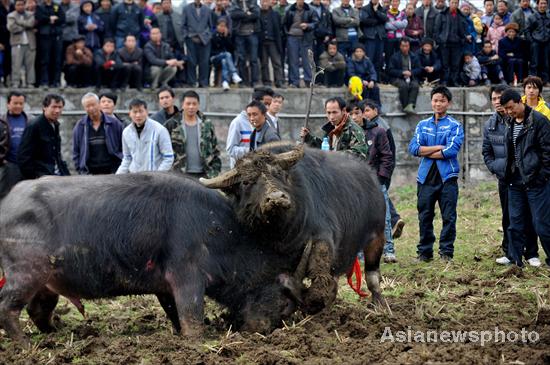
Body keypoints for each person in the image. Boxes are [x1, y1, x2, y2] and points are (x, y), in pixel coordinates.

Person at [482, 85, 540, 266]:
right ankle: (510, 252)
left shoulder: (519, 119)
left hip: (526, 176)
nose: (497, 102)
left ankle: (531, 252)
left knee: (530, 215)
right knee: (509, 216)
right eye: (493, 99)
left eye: (500, 98)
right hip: (506, 178)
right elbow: (486, 151)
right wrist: (496, 168)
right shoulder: (490, 124)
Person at [408, 86, 464, 262]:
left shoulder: (455, 125)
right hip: (425, 178)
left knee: (448, 216)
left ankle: (446, 252)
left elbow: (451, 150)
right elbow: (413, 148)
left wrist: (427, 151)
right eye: (435, 100)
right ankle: (424, 252)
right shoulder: (422, 125)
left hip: (447, 178)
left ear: (448, 103)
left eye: (442, 100)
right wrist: (437, 147)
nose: (438, 104)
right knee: (425, 216)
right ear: (431, 101)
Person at [500, 88, 550, 267]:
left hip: (536, 182)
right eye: (505, 109)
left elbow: (547, 153)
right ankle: (515, 261)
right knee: (515, 223)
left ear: (520, 102)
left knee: (541, 224)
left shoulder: (539, 121)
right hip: (515, 182)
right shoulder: (509, 122)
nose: (508, 112)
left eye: (510, 107)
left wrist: (541, 177)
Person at [355, 99, 396, 262]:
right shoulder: (346, 134)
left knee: (383, 217)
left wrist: (381, 177)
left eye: (359, 112)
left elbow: (388, 156)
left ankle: (388, 250)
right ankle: (359, 254)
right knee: (358, 218)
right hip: (355, 184)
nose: (355, 116)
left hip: (375, 181)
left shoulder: (378, 131)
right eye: (351, 113)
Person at [163, 90, 221, 178]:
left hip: (204, 174)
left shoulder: (206, 124)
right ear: (182, 105)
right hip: (179, 175)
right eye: (188, 103)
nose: (191, 107)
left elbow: (215, 150)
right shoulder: (172, 124)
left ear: (198, 105)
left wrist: (214, 172)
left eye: (194, 104)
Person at [18, 94, 70, 179]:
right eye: (54, 107)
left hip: (56, 174)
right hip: (42, 177)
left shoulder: (55, 124)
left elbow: (56, 154)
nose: (57, 110)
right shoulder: (34, 126)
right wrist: (34, 177)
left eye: (60, 107)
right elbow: (23, 156)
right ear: (45, 107)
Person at [116, 99, 174, 174]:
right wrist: (117, 177)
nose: (138, 115)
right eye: (135, 112)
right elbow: (127, 158)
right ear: (129, 113)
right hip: (135, 178)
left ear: (146, 112)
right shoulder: (126, 132)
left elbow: (168, 157)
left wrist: (158, 176)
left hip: (154, 179)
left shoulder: (159, 130)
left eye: (141, 111)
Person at [300, 97, 369, 159]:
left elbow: (359, 155)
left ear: (343, 111)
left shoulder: (354, 130)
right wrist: (308, 137)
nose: (331, 117)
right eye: (328, 113)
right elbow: (323, 149)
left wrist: (332, 154)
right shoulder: (329, 129)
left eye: (334, 112)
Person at [72, 93, 123, 175]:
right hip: (89, 173)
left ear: (99, 104)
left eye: (93, 105)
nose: (91, 108)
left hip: (112, 172)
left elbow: (123, 147)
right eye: (88, 106)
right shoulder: (80, 126)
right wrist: (80, 169)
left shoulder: (114, 124)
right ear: (84, 108)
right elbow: (76, 151)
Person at [226, 88, 273, 167]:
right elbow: (231, 150)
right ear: (255, 102)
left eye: (269, 104)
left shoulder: (268, 122)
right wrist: (252, 151)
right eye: (265, 104)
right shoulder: (237, 123)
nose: (267, 108)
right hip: (242, 172)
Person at [282, 0, 319, 88]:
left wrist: (308, 25)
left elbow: (316, 22)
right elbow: (284, 23)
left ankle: (309, 81)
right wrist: (287, 33)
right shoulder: (289, 9)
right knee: (293, 60)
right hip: (292, 37)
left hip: (305, 37)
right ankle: (294, 82)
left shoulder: (311, 9)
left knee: (307, 60)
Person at [434, 0, 468, 86]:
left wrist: (463, 40)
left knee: (455, 64)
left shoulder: (461, 16)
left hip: (457, 44)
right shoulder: (442, 15)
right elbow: (436, 30)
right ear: (449, 3)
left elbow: (464, 30)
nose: (454, 4)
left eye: (456, 3)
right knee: (445, 64)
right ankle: (445, 81)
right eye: (452, 2)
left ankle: (454, 81)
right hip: (444, 44)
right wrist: (439, 40)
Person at [0, 91, 27, 197]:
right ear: (8, 104)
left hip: (26, 165)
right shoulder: (2, 121)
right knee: (6, 195)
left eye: (21, 103)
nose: (18, 106)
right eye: (15, 103)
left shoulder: (30, 120)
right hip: (9, 166)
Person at [182, 0, 212, 88]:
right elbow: (183, 25)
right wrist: (187, 36)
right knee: (191, 61)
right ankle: (192, 82)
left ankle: (203, 82)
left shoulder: (207, 9)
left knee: (204, 62)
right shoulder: (186, 9)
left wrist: (207, 36)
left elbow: (210, 26)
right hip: (191, 38)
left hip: (204, 40)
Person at [230, 0, 261, 87]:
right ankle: (243, 82)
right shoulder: (234, 3)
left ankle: (255, 81)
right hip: (239, 34)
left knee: (254, 59)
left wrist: (242, 15)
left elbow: (256, 14)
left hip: (252, 33)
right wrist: (247, 14)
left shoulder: (253, 2)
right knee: (241, 59)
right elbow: (233, 15)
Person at [35, 0, 65, 88]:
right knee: (45, 60)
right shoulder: (40, 7)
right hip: (45, 36)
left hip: (56, 35)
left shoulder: (57, 6)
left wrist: (52, 19)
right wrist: (50, 19)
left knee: (57, 60)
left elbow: (62, 18)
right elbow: (39, 18)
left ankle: (56, 81)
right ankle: (44, 81)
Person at [387, 37, 421, 113]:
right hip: (397, 78)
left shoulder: (414, 56)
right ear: (400, 46)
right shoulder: (394, 57)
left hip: (411, 77)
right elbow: (390, 70)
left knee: (415, 85)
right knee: (403, 86)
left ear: (409, 46)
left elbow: (419, 69)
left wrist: (411, 73)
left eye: (407, 46)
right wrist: (402, 73)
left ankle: (411, 105)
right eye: (403, 46)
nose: (405, 48)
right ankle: (405, 106)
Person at [7, 0, 36, 88]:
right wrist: (25, 25)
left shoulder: (30, 14)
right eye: (18, 5)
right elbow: (12, 28)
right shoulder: (11, 15)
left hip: (30, 43)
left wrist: (19, 22)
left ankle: (30, 83)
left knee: (30, 65)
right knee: (16, 64)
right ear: (15, 6)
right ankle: (15, 82)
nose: (20, 6)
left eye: (22, 4)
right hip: (17, 43)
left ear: (25, 5)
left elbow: (31, 24)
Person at [210, 18, 242, 90]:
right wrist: (221, 37)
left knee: (224, 60)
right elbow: (214, 48)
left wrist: (226, 37)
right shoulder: (214, 35)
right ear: (217, 26)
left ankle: (225, 82)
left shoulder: (227, 35)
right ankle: (234, 73)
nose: (222, 28)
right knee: (227, 55)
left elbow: (232, 48)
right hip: (214, 57)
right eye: (221, 26)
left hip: (225, 58)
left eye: (224, 26)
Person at [259, 0, 284, 88]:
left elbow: (279, 28)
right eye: (263, 2)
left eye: (266, 1)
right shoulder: (258, 14)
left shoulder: (275, 14)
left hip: (273, 41)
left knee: (276, 62)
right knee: (264, 63)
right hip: (262, 42)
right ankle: (266, 82)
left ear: (270, 3)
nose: (265, 4)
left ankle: (279, 81)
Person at [360, 0, 388, 78]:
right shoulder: (365, 8)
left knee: (379, 59)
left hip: (380, 37)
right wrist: (378, 20)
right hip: (370, 37)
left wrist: (376, 11)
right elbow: (365, 21)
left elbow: (385, 19)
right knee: (369, 59)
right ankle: (368, 77)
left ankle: (377, 78)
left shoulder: (383, 9)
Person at [525, 0, 550, 84]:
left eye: (545, 3)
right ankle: (533, 81)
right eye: (541, 3)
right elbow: (527, 30)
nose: (543, 5)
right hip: (535, 42)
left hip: (547, 42)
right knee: (534, 62)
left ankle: (545, 80)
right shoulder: (532, 17)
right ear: (537, 4)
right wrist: (532, 41)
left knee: (546, 62)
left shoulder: (549, 16)